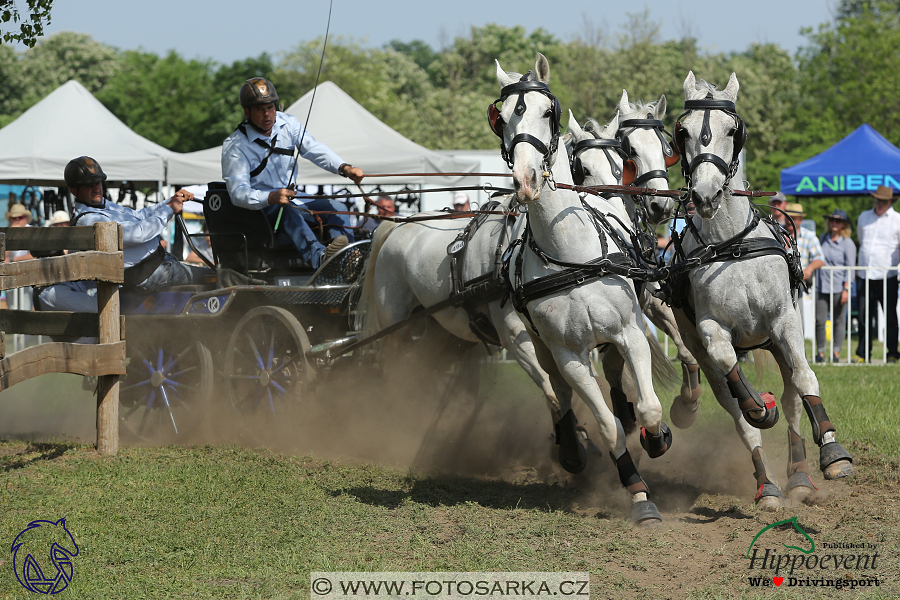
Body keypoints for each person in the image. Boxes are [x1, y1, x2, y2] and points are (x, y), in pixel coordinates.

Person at [37, 156, 213, 314]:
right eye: (89, 185)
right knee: (213, 278)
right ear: (74, 190)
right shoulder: (89, 219)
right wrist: (168, 209)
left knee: (207, 280)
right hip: (149, 274)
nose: (96, 188)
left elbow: (139, 216)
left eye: (98, 182)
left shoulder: (103, 206)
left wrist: (171, 201)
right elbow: (138, 234)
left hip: (158, 266)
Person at [222, 77, 364, 269]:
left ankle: (346, 259)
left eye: (270, 107)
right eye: (259, 109)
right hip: (261, 210)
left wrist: (344, 168)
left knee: (336, 206)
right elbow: (238, 194)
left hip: (292, 199)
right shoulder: (235, 146)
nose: (267, 114)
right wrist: (271, 197)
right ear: (246, 112)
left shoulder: (288, 124)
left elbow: (314, 149)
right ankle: (322, 260)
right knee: (286, 209)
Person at [854, 184, 900, 363]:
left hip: (887, 275)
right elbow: (861, 239)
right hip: (864, 274)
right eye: (877, 200)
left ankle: (892, 353)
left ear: (890, 201)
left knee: (890, 316)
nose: (879, 203)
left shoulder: (897, 219)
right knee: (864, 316)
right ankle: (863, 353)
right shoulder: (863, 217)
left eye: (883, 201)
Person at [815, 209, 856, 363]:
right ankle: (820, 353)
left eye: (838, 221)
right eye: (832, 220)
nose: (834, 223)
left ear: (844, 224)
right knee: (820, 320)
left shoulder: (848, 243)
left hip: (839, 286)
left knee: (839, 320)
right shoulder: (823, 238)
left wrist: (847, 288)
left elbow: (850, 267)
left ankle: (836, 353)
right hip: (822, 285)